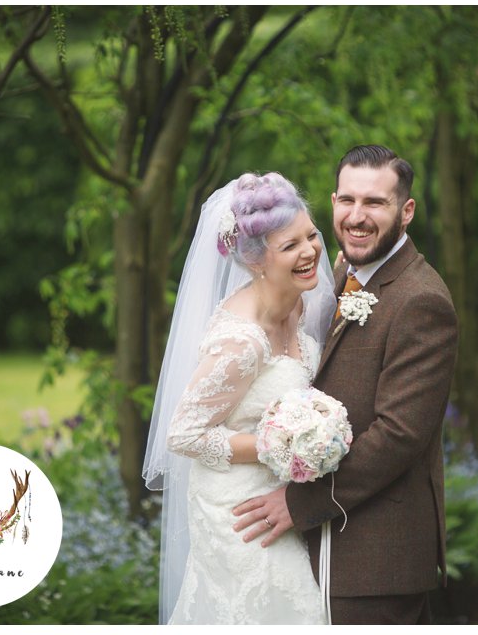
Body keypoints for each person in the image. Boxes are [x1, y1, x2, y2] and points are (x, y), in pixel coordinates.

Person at [232, 145, 459, 624]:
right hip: (328, 548)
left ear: (406, 210)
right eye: (347, 201)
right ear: (332, 202)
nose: (357, 216)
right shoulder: (338, 272)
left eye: (375, 203)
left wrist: (301, 503)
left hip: (375, 558)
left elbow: (399, 435)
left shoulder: (421, 301)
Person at [141, 172, 337, 624]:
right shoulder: (242, 342)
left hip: (281, 495)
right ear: (256, 262)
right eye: (290, 247)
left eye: (311, 235)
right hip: (239, 512)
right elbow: (184, 434)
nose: (310, 251)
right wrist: (284, 444)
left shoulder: (301, 304)